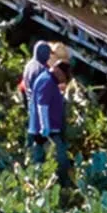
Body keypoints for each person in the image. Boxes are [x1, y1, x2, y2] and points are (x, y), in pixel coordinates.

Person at [27, 58, 72, 186]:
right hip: (46, 130)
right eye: (64, 77)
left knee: (42, 158)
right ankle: (61, 183)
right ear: (58, 71)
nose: (64, 81)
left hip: (48, 128)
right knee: (59, 157)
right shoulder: (46, 81)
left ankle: (42, 182)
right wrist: (44, 126)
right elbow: (42, 105)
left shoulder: (49, 80)